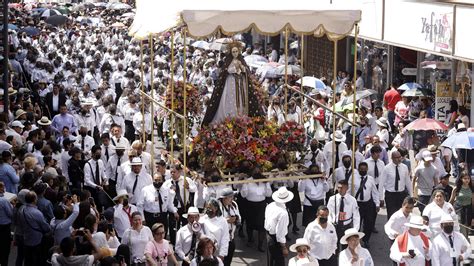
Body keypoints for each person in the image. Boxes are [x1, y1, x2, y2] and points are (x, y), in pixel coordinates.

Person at [202, 41, 263, 126]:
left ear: (239, 52)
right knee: (230, 99)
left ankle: (240, 116)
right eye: (233, 52)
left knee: (241, 101)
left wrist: (242, 69)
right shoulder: (228, 61)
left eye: (236, 51)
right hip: (230, 83)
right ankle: (229, 117)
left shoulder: (241, 61)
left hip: (241, 84)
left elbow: (246, 70)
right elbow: (226, 71)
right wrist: (234, 70)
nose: (235, 53)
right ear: (231, 52)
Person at [240, 168, 272, 251]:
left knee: (262, 226)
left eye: (258, 171)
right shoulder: (248, 181)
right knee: (250, 224)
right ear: (252, 173)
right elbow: (244, 195)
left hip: (261, 206)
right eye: (255, 171)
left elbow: (268, 194)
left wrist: (267, 183)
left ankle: (260, 245)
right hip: (250, 205)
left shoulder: (264, 181)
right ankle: (250, 239)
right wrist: (244, 184)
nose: (257, 172)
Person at [18, 190, 52, 266]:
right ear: (34, 200)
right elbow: (46, 227)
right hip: (36, 240)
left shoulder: (21, 210)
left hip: (26, 238)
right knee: (35, 259)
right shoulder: (37, 213)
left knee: (27, 259)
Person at [138, 173, 178, 237]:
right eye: (155, 180)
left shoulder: (166, 190)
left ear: (162, 180)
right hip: (150, 218)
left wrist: (174, 211)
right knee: (150, 237)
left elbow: (169, 204)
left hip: (162, 217)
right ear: (152, 180)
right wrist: (142, 219)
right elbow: (139, 205)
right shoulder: (145, 190)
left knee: (162, 237)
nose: (157, 182)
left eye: (159, 180)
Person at [264, 187, 293, 266]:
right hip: (275, 240)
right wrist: (283, 247)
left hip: (269, 235)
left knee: (271, 261)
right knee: (278, 262)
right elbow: (280, 233)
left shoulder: (270, 205)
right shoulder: (283, 213)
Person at [379, 151, 413, 219]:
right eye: (397, 158)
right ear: (392, 158)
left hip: (401, 194)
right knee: (391, 215)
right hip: (390, 195)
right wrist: (381, 198)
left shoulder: (404, 167)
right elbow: (381, 183)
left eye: (400, 157)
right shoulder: (387, 168)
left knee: (402, 214)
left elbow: (408, 182)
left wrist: (411, 195)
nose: (399, 159)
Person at [353, 162, 379, 248]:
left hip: (368, 204)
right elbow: (349, 191)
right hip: (357, 204)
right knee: (357, 223)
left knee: (369, 223)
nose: (363, 170)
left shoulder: (370, 179)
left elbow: (375, 192)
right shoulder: (353, 178)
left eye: (365, 169)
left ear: (367, 169)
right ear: (358, 169)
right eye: (361, 169)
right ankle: (356, 241)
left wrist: (377, 203)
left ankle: (366, 239)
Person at [327, 180, 360, 247]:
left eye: (342, 187)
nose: (340, 189)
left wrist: (355, 230)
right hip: (336, 226)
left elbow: (356, 216)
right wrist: (330, 224)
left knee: (346, 247)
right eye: (338, 187)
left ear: (347, 188)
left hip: (346, 226)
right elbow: (329, 213)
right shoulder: (332, 199)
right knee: (334, 246)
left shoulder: (352, 200)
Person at [218, 188, 241, 266]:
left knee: (228, 260)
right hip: (220, 239)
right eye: (230, 197)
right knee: (220, 261)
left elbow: (239, 217)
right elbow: (213, 221)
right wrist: (226, 221)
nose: (232, 199)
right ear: (224, 198)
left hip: (231, 238)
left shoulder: (234, 204)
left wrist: (236, 219)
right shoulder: (217, 206)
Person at [449, 171, 473, 236]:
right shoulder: (457, 188)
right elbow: (451, 200)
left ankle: (465, 243)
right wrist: (447, 209)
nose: (467, 180)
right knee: (461, 229)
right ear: (461, 179)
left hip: (468, 211)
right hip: (458, 210)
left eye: (468, 178)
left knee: (466, 229)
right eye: (465, 178)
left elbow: (473, 203)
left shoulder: (471, 189)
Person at [0, 187, 15, 266]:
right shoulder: (4, 201)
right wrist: (12, 206)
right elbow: (11, 214)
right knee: (5, 250)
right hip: (4, 227)